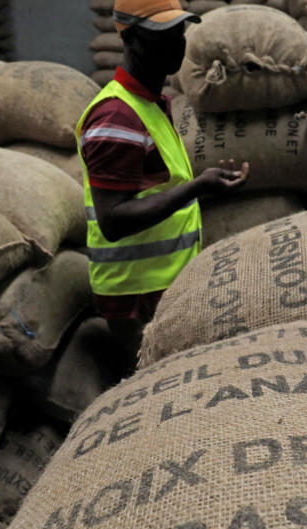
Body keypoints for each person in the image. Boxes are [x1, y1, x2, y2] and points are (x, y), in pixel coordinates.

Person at [77, 0, 249, 370]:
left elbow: (155, 186)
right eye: (163, 35)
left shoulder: (152, 104)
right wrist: (197, 187)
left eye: (179, 33)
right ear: (133, 38)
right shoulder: (116, 116)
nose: (177, 44)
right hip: (134, 293)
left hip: (159, 285)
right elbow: (113, 219)